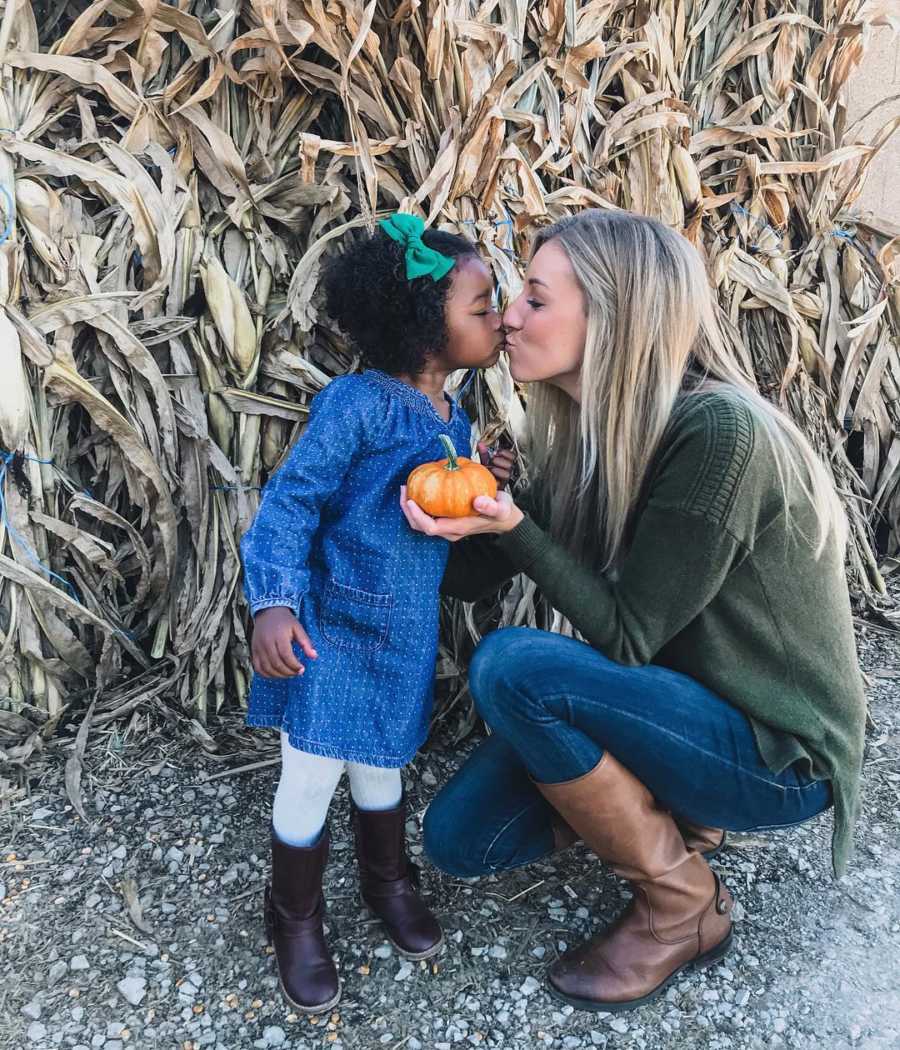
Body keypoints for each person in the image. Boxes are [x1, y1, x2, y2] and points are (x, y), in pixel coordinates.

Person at [402, 209, 866, 1013]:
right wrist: (461, 501)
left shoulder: (719, 434)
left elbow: (626, 633)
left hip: (777, 753)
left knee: (514, 665)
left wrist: (516, 522)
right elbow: (473, 576)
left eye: (537, 301)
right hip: (681, 707)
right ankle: (682, 814)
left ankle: (681, 906)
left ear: (613, 318)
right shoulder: (586, 433)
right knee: (460, 841)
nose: (509, 316)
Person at [240, 213, 504, 1014]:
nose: (499, 317)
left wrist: (482, 470)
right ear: (428, 327)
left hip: (400, 633)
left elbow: (444, 499)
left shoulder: (449, 414)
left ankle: (386, 881)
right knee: (313, 772)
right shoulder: (356, 406)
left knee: (383, 761)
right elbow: (291, 504)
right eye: (483, 306)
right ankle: (294, 916)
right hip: (330, 630)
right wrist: (274, 605)